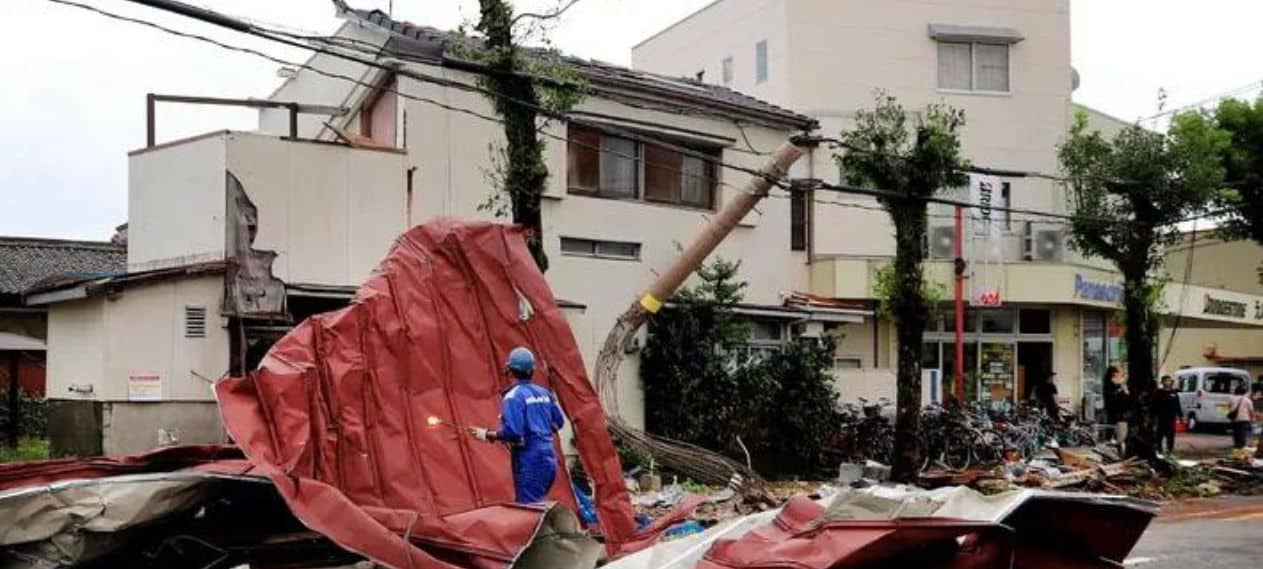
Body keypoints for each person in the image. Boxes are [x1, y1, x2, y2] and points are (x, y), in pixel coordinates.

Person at [467, 347, 566, 503]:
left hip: (529, 461)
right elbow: (558, 422)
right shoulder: (544, 393)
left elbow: (513, 432)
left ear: (509, 370)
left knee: (529, 509)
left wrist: (486, 434)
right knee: (539, 503)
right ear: (532, 370)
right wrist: (539, 431)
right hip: (548, 458)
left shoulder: (513, 396)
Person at [1102, 366, 1133, 452]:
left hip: (1121, 410)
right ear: (1114, 374)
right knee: (1113, 427)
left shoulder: (1120, 385)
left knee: (1119, 429)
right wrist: (1121, 389)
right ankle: (1112, 444)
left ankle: (1117, 444)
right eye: (1119, 373)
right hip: (1115, 410)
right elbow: (1112, 396)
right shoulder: (1110, 385)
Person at [1151, 375, 1182, 455]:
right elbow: (1154, 405)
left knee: (1170, 435)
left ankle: (1170, 451)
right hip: (1161, 417)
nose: (1168, 382)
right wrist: (1153, 416)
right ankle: (1159, 450)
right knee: (1159, 435)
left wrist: (1180, 415)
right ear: (1162, 382)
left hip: (1171, 417)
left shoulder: (1174, 393)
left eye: (1169, 380)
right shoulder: (1158, 393)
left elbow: (1177, 405)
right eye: (1166, 380)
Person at [1228, 385, 1255, 450]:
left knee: (1236, 432)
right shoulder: (1247, 400)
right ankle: (1242, 446)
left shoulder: (1232, 398)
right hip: (1245, 419)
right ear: (1244, 392)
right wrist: (1252, 418)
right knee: (1243, 433)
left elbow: (1229, 406)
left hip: (1235, 418)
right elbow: (1251, 410)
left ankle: (1236, 445)